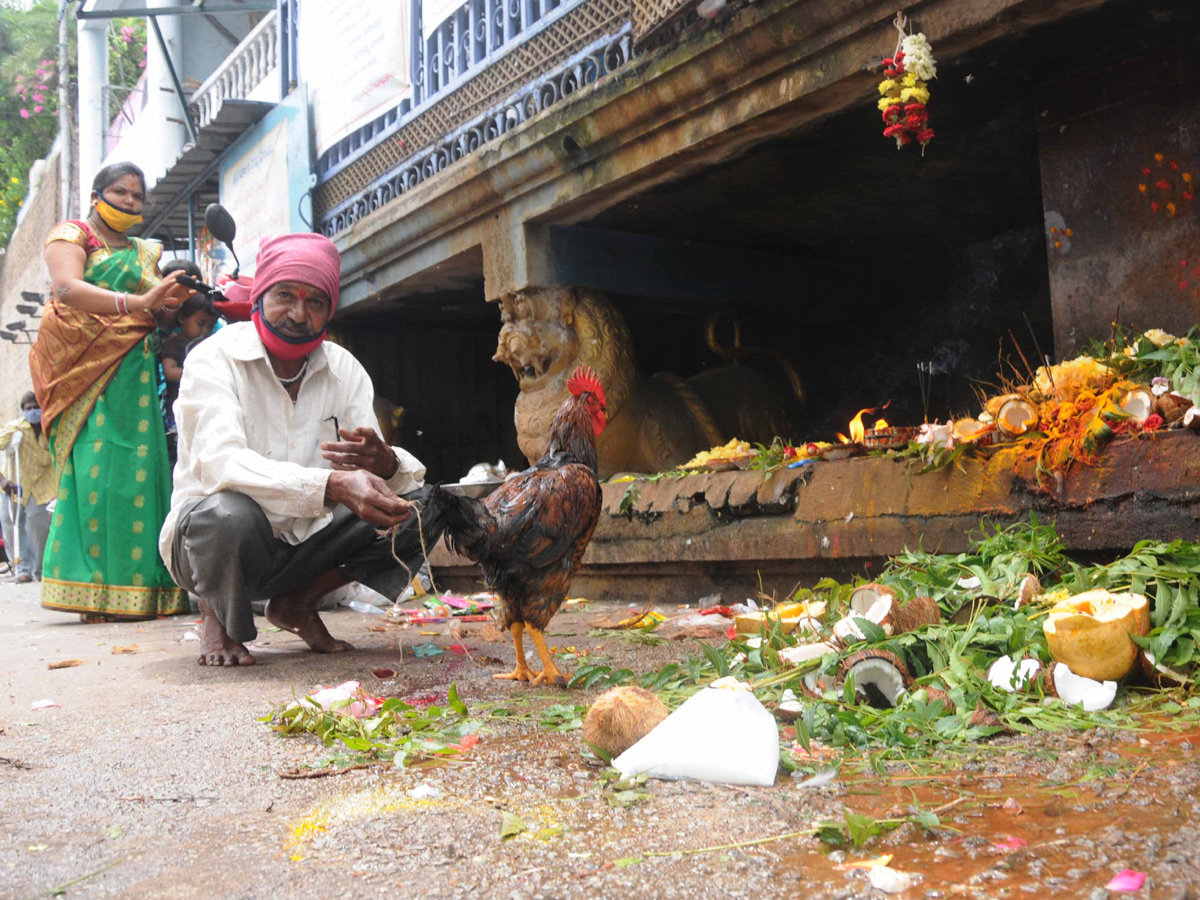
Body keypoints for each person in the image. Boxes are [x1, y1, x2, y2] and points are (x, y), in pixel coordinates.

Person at [159, 232, 447, 666]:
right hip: (214, 542)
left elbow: (373, 476)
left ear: (329, 310)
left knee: (424, 506)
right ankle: (214, 615)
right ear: (259, 295)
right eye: (285, 296)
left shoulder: (343, 368)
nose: (298, 313)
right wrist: (332, 484)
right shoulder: (212, 359)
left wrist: (384, 463)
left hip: (305, 544)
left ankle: (297, 602)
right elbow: (221, 464)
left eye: (315, 303)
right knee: (227, 514)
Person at [29, 161, 192, 621]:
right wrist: (136, 302)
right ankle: (93, 595)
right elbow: (66, 288)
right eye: (121, 193)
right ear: (98, 194)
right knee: (98, 472)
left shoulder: (144, 249)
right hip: (87, 375)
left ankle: (148, 591)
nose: (130, 203)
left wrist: (167, 305)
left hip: (135, 374)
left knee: (141, 474)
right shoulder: (73, 234)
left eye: (138, 197)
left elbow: (153, 312)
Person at [0, 393, 55, 583]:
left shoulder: (52, 428)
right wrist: (2, 481)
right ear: (23, 411)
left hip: (42, 486)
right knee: (11, 525)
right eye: (28, 409)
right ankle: (22, 569)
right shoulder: (15, 428)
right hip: (15, 484)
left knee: (38, 528)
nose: (32, 412)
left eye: (35, 407)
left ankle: (38, 570)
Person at [159, 292, 218, 462]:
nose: (205, 331)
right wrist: (202, 374)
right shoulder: (174, 344)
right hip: (176, 410)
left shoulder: (209, 345)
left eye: (210, 326)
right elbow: (170, 372)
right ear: (182, 318)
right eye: (200, 324)